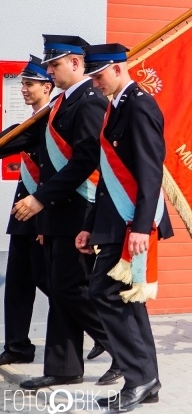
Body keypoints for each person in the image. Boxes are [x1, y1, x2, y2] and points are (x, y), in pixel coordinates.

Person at [4, 35, 118, 389]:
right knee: (60, 287)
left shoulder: (88, 101)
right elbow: (24, 137)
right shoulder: (63, 103)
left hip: (78, 211)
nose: (49, 72)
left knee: (71, 289)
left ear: (76, 63)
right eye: (49, 67)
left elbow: (86, 160)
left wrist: (40, 200)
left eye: (54, 65)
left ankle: (124, 349)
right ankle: (65, 366)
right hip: (58, 213)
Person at [79, 43, 171, 411]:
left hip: (132, 224)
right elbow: (105, 178)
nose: (96, 83)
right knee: (125, 301)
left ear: (118, 69)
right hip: (116, 221)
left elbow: (151, 171)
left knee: (109, 294)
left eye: (98, 75)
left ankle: (140, 377)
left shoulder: (139, 105)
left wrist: (140, 228)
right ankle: (145, 380)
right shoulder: (116, 107)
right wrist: (89, 226)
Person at [0, 56, 53, 366]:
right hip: (23, 215)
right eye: (21, 83)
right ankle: (18, 347)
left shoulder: (49, 120)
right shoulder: (33, 121)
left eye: (29, 84)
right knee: (18, 285)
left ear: (47, 86)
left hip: (43, 216)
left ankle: (107, 337)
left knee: (54, 285)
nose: (23, 89)